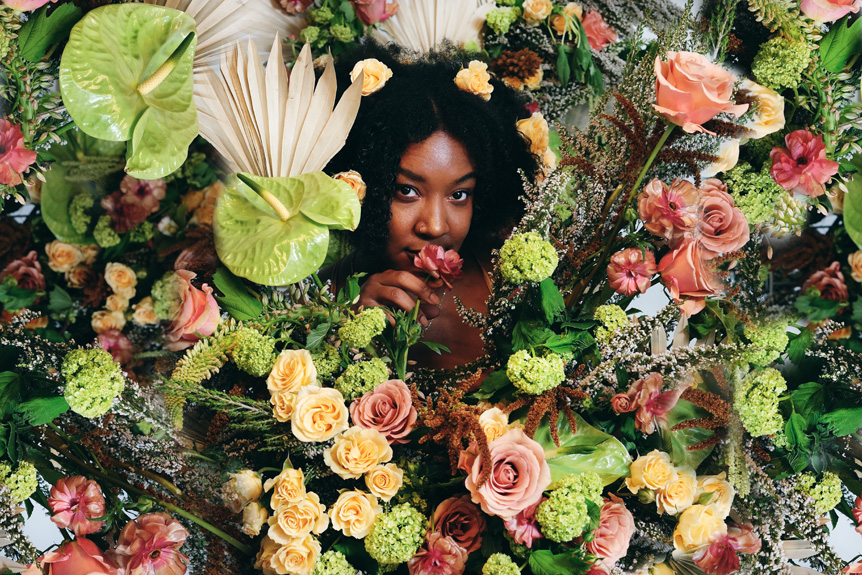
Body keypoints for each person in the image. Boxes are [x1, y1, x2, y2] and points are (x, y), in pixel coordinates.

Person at [323, 43, 541, 370]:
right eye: (407, 190)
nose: (435, 226)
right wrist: (347, 334)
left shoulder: (514, 281)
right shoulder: (324, 296)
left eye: (459, 195)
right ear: (364, 185)